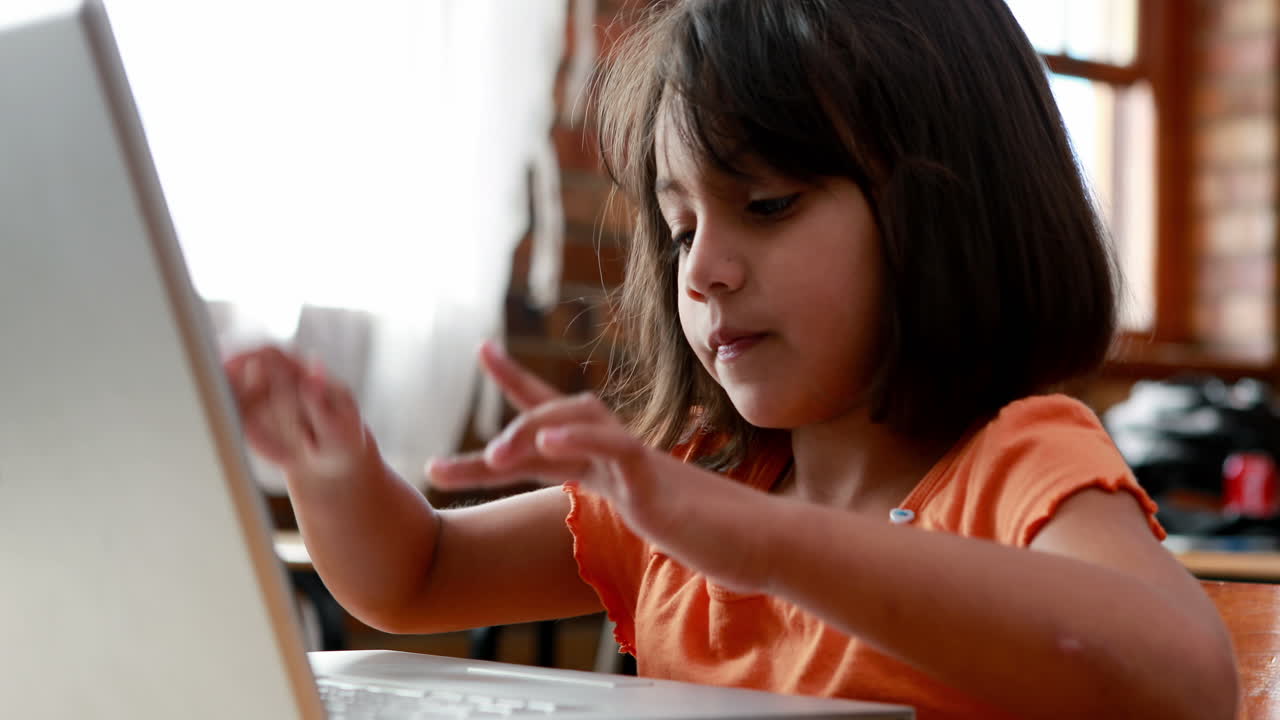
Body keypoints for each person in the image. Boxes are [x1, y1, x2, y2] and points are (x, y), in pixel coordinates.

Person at [223, 1, 1238, 718]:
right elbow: (417, 574)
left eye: (767, 205)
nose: (703, 268)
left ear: (948, 208)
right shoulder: (705, 483)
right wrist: (331, 467)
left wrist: (757, 542)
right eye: (678, 229)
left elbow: (1187, 681)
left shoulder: (1016, 467)